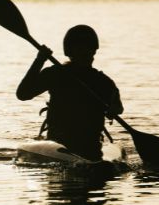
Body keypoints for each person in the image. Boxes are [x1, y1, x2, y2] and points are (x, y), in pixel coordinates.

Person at [16, 24, 123, 161]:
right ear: (70, 51)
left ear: (94, 50)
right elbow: (23, 94)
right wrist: (39, 60)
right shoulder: (56, 73)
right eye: (79, 47)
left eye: (88, 47)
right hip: (58, 143)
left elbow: (118, 108)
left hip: (91, 146)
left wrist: (113, 109)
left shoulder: (104, 82)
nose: (84, 51)